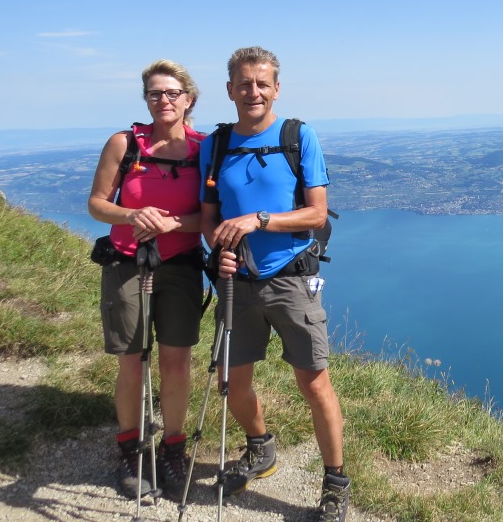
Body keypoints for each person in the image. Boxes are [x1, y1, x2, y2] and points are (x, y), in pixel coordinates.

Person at [200, 46, 350, 522]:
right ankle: (260, 447)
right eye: (244, 83)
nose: (254, 91)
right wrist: (218, 248)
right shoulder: (215, 145)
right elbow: (209, 217)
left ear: (277, 88)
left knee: (314, 382)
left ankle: (335, 481)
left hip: (290, 280)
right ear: (230, 90)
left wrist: (258, 220)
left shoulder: (297, 136)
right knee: (232, 381)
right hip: (236, 282)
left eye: (262, 83)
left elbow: (317, 213)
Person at [88, 59, 205, 500]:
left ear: (189, 99)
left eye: (172, 93)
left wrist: (174, 224)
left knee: (176, 361)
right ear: (146, 99)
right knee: (133, 360)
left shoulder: (202, 149)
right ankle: (132, 448)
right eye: (155, 93)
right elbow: (98, 204)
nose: (164, 100)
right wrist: (132, 213)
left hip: (182, 266)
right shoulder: (124, 144)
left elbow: (210, 218)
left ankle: (173, 447)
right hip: (127, 262)